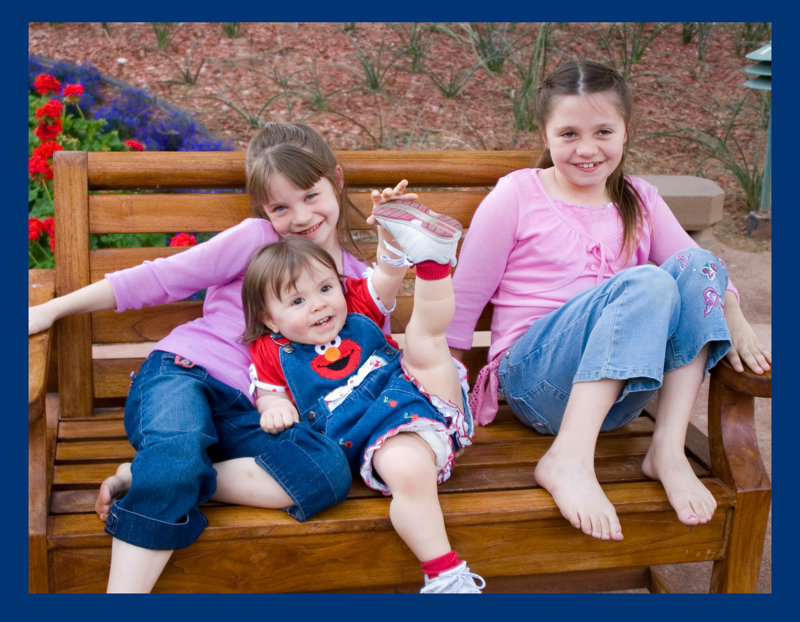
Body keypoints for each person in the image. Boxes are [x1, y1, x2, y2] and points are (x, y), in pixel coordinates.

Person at [27, 122, 404, 593]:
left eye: (310, 196)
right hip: (186, 374)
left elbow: (368, 367)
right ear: (264, 209)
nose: (301, 216)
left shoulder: (357, 283)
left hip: (256, 414)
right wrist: (51, 310)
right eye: (281, 207)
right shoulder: (257, 241)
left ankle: (148, 475)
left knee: (326, 471)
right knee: (179, 450)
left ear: (337, 180)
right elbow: (160, 278)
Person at [445, 60, 771, 542]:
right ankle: (568, 459)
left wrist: (733, 312)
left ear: (625, 132)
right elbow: (459, 307)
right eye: (569, 133)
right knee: (648, 282)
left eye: (603, 131)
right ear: (545, 134)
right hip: (537, 383)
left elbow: (699, 269)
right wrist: (443, 395)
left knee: (697, 263)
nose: (587, 149)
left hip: (623, 400)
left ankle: (667, 449)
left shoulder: (639, 199)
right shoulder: (517, 195)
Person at [242, 198, 484, 593]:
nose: (319, 304)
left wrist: (388, 236)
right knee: (408, 471)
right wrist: (275, 407)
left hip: (416, 392)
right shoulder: (271, 351)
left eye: (325, 288)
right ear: (271, 320)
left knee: (424, 340)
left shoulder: (356, 304)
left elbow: (387, 274)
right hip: (373, 432)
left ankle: (433, 261)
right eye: (298, 301)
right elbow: (269, 394)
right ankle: (446, 574)